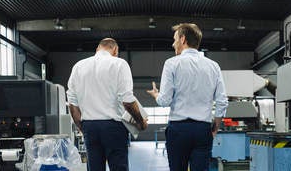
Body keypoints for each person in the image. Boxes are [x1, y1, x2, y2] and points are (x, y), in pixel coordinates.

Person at [147, 23, 228, 171]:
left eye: (175, 39)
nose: (173, 43)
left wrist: (156, 95)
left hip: (178, 130)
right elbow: (222, 101)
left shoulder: (171, 64)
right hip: (203, 129)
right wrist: (215, 128)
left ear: (183, 39)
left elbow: (165, 100)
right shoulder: (213, 66)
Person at [67, 38, 147, 171]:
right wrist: (140, 122)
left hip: (89, 127)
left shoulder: (78, 66)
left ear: (97, 49)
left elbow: (72, 103)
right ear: (115, 50)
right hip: (114, 127)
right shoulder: (119, 64)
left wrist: (83, 128)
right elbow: (127, 101)